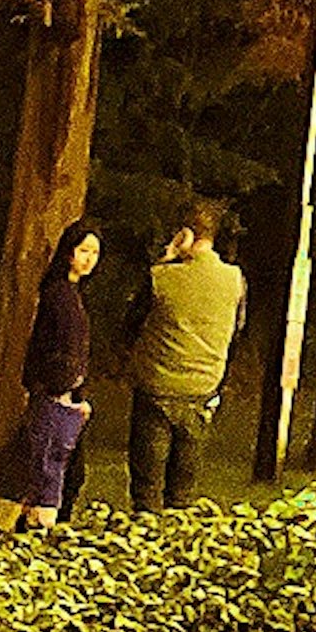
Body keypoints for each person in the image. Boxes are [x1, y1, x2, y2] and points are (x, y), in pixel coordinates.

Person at [126, 199, 246, 515]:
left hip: (156, 386)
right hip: (203, 389)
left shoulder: (161, 277)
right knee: (183, 488)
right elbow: (237, 332)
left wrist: (166, 259)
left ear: (184, 235)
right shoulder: (234, 280)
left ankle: (142, 540)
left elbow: (132, 323)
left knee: (147, 487)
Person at [0, 221, 100, 532]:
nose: (89, 259)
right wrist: (54, 385)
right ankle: (35, 524)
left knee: (59, 466)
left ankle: (38, 521)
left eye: (95, 252)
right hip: (54, 392)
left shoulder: (74, 295)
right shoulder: (58, 294)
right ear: (69, 252)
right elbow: (47, 345)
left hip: (66, 392)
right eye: (83, 250)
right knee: (47, 464)